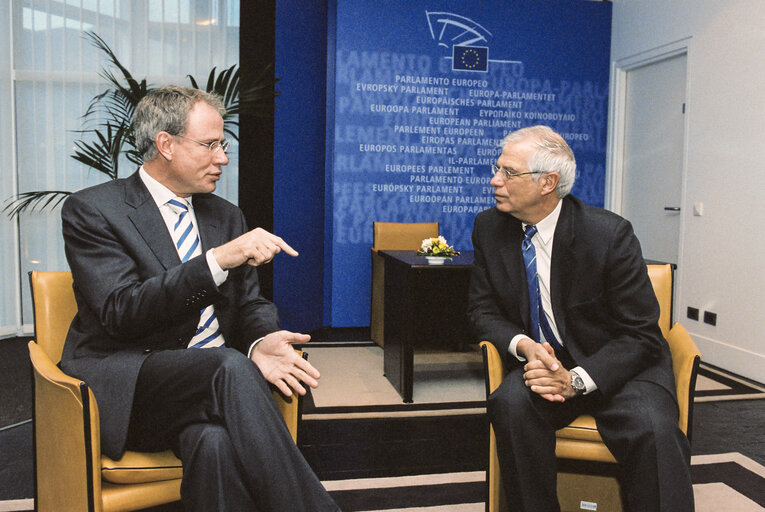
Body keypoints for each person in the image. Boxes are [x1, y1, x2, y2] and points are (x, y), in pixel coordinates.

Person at [60, 85, 340, 511]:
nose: (223, 158)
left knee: (213, 443)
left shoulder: (225, 215)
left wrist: (260, 340)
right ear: (166, 144)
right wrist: (216, 260)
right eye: (210, 145)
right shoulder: (94, 210)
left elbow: (249, 305)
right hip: (134, 383)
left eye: (222, 145)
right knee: (227, 366)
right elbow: (121, 313)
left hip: (211, 391)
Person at [468, 125, 694, 512]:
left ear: (547, 183)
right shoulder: (489, 227)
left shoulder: (608, 235)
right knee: (510, 404)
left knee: (654, 429)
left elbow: (640, 336)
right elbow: (481, 310)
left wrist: (575, 380)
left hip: (619, 368)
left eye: (508, 172)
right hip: (545, 364)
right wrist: (524, 346)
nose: (495, 180)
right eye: (497, 168)